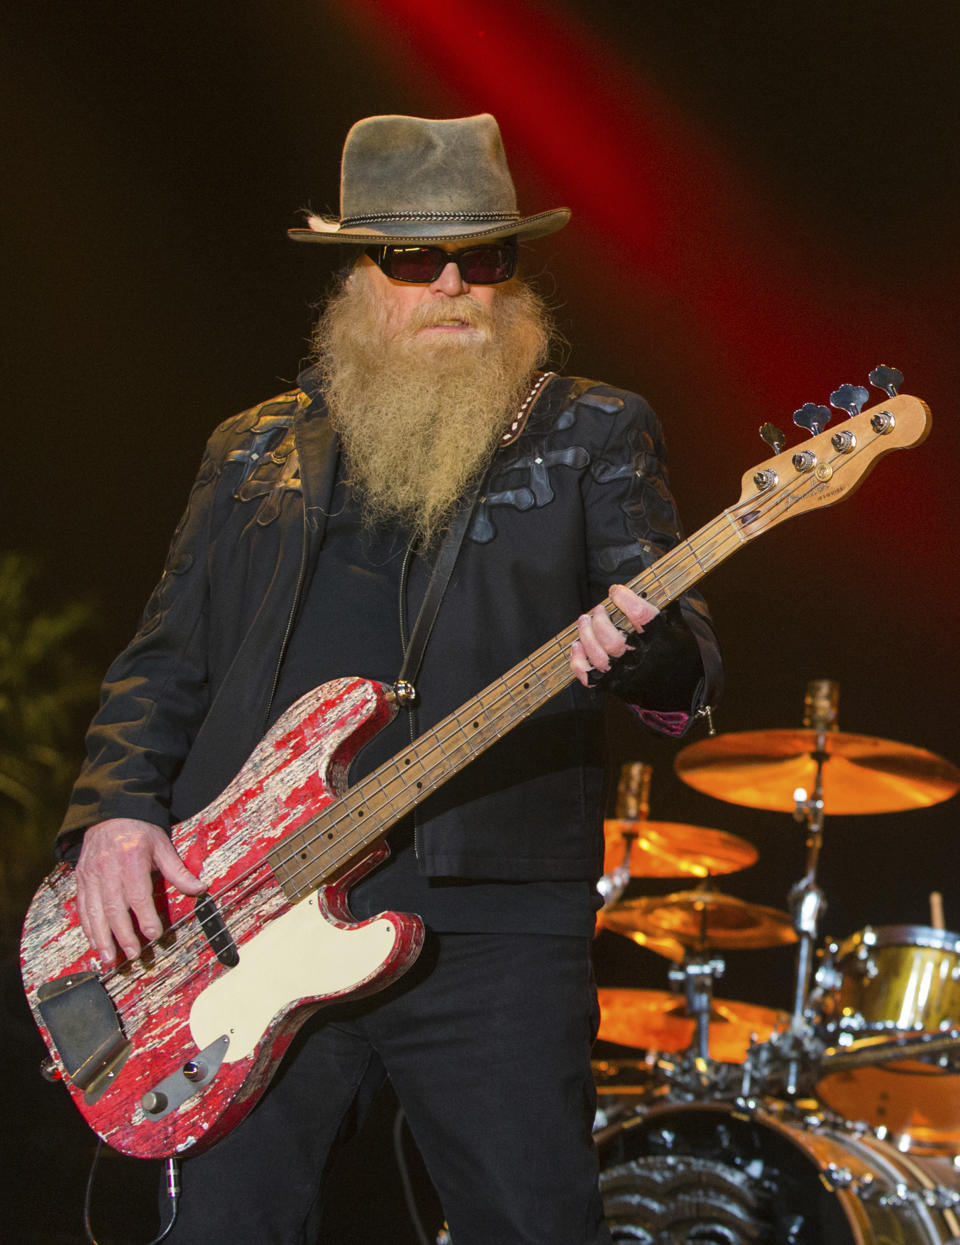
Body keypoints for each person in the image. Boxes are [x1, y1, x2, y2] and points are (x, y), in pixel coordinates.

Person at [58, 114, 722, 1244]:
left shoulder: (594, 432)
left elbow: (681, 649)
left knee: (532, 1222)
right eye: (418, 259)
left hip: (492, 921)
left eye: (487, 257)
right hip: (248, 910)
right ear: (360, 275)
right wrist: (116, 814)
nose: (456, 285)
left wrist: (643, 645)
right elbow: (165, 658)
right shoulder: (251, 448)